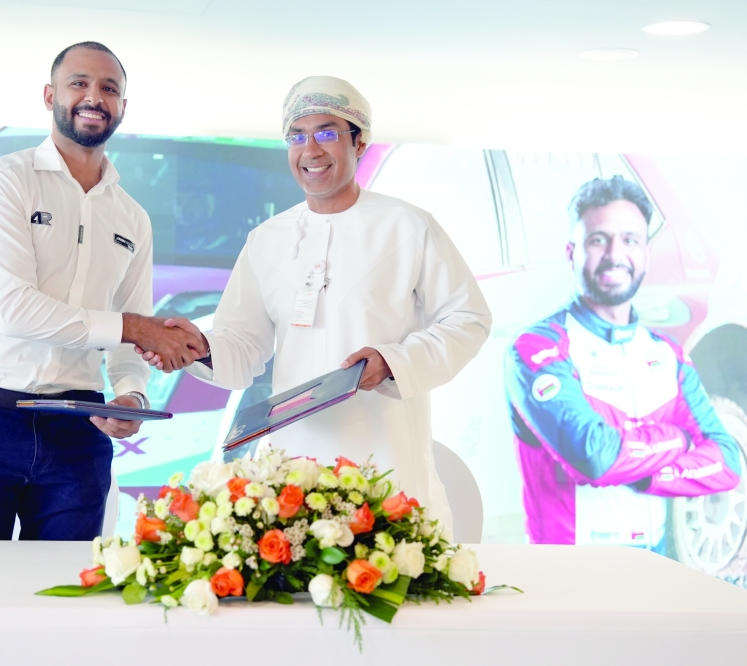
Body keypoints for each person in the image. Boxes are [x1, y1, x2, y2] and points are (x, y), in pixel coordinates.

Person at [140, 76, 492, 528]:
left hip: (386, 454)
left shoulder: (408, 226)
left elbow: (468, 319)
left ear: (359, 142)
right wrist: (201, 347)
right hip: (293, 463)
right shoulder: (267, 239)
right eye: (297, 136)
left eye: (327, 133)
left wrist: (393, 361)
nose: (311, 150)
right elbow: (243, 343)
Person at [0, 42, 206, 541]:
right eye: (79, 83)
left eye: (109, 88)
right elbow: (14, 310)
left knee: (64, 599)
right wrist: (135, 328)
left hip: (79, 430)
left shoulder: (132, 217)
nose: (93, 97)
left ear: (122, 106)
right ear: (49, 94)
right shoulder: (2, 181)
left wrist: (130, 396)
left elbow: (131, 331)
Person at [505, 176, 740, 551]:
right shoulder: (538, 347)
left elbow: (727, 462)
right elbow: (594, 456)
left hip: (654, 569)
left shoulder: (668, 356)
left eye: (630, 240)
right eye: (599, 239)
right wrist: (678, 439)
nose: (616, 254)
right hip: (566, 574)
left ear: (646, 253)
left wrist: (649, 473)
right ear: (571, 251)